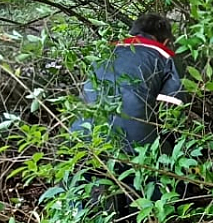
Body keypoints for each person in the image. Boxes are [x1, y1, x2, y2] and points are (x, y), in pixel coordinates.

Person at [78, 12, 187, 153]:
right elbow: (171, 110)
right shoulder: (165, 56)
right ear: (165, 41)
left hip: (84, 137)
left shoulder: (105, 52)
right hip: (136, 143)